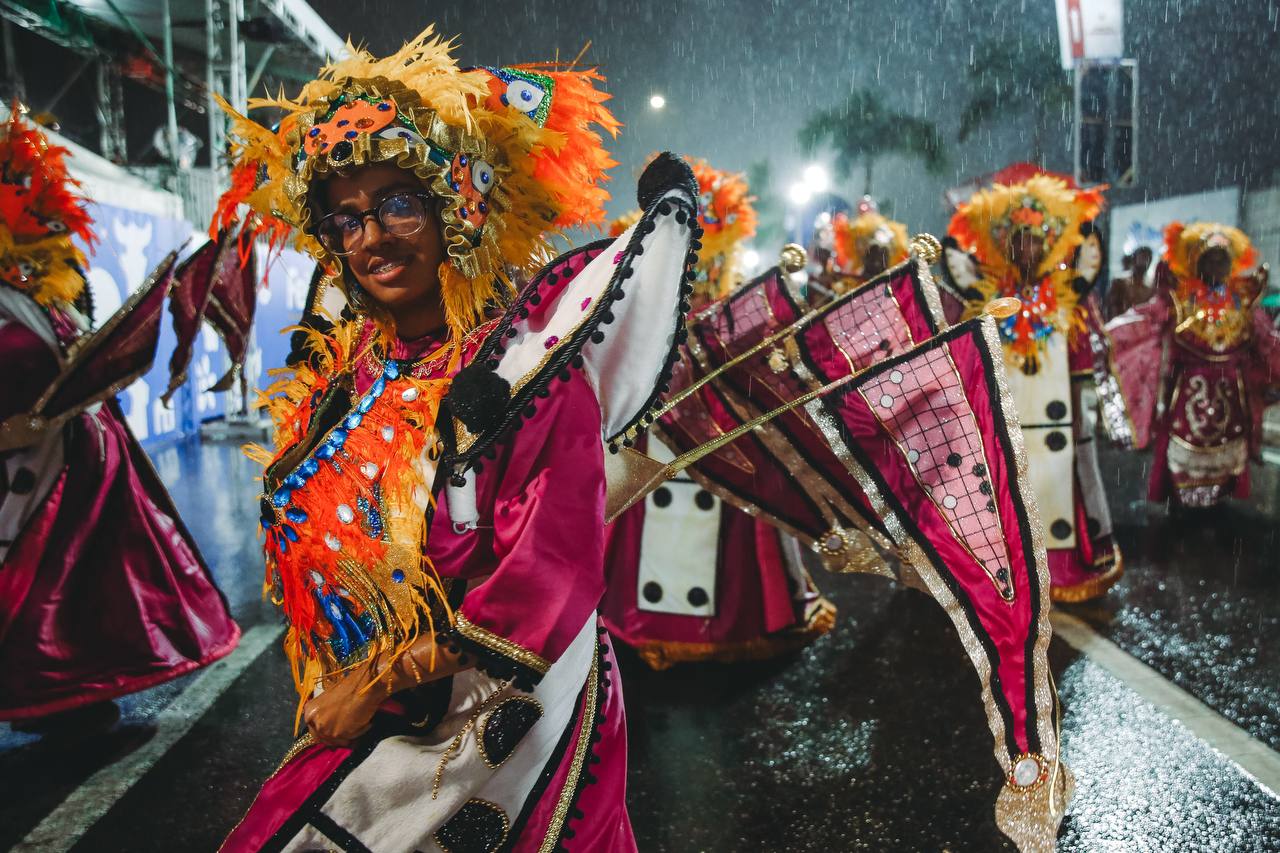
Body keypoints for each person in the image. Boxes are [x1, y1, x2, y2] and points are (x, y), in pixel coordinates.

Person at [213, 29, 697, 851]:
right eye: (348, 217)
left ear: (459, 206)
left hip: (501, 713)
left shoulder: (525, 369)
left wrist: (376, 684)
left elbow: (542, 577)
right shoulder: (360, 357)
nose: (371, 238)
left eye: (399, 202)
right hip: (380, 699)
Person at [0, 110, 239, 733]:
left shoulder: (52, 285)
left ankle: (74, 687)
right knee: (31, 593)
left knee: (87, 589)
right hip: (20, 482)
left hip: (81, 467)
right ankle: (40, 691)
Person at [601, 161, 836, 670]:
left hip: (715, 429)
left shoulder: (731, 315)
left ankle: (723, 620)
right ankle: (637, 615)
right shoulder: (638, 266)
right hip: (649, 430)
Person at [947, 174, 1122, 603]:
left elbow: (1081, 359)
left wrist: (1083, 414)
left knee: (1062, 484)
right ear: (1006, 247)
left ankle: (1059, 567)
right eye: (1019, 241)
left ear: (1049, 246)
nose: (1028, 250)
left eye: (1036, 241)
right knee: (1008, 491)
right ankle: (1013, 570)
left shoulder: (1068, 298)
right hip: (1009, 419)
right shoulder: (988, 297)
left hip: (1057, 426)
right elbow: (973, 357)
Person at [1107, 222, 1280, 508]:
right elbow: (1143, 322)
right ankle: (1180, 502)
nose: (1217, 265)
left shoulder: (1243, 302)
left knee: (1228, 443)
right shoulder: (1178, 300)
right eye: (1210, 258)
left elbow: (1266, 342)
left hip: (1231, 391)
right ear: (1197, 262)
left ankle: (1220, 499)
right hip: (1186, 390)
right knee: (1181, 444)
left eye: (1222, 259)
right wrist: (1107, 338)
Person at [1106, 243, 1155, 319]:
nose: (1145, 262)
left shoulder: (1151, 287)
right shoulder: (1119, 281)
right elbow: (1111, 310)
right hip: (1121, 326)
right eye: (1143, 257)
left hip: (1142, 327)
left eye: (1148, 259)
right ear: (1134, 259)